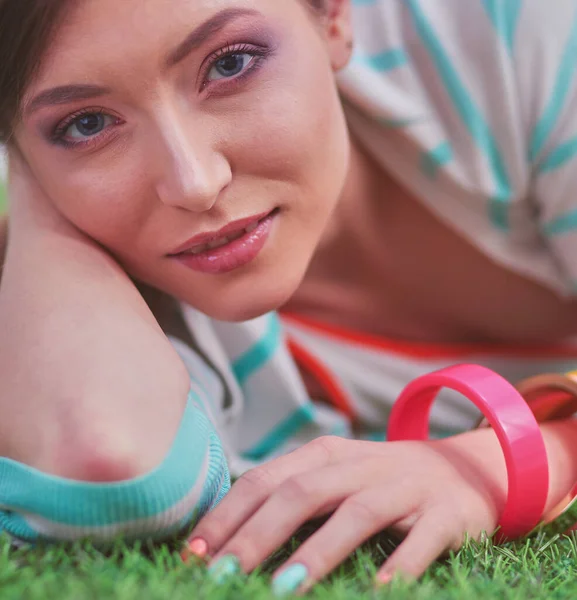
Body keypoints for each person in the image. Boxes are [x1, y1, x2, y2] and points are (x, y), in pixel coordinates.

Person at [2, 0, 577, 592]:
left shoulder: (507, 37)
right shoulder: (121, 318)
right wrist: (27, 169)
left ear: (332, 15)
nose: (196, 183)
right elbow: (104, 460)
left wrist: (503, 463)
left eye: (230, 64)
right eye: (86, 125)